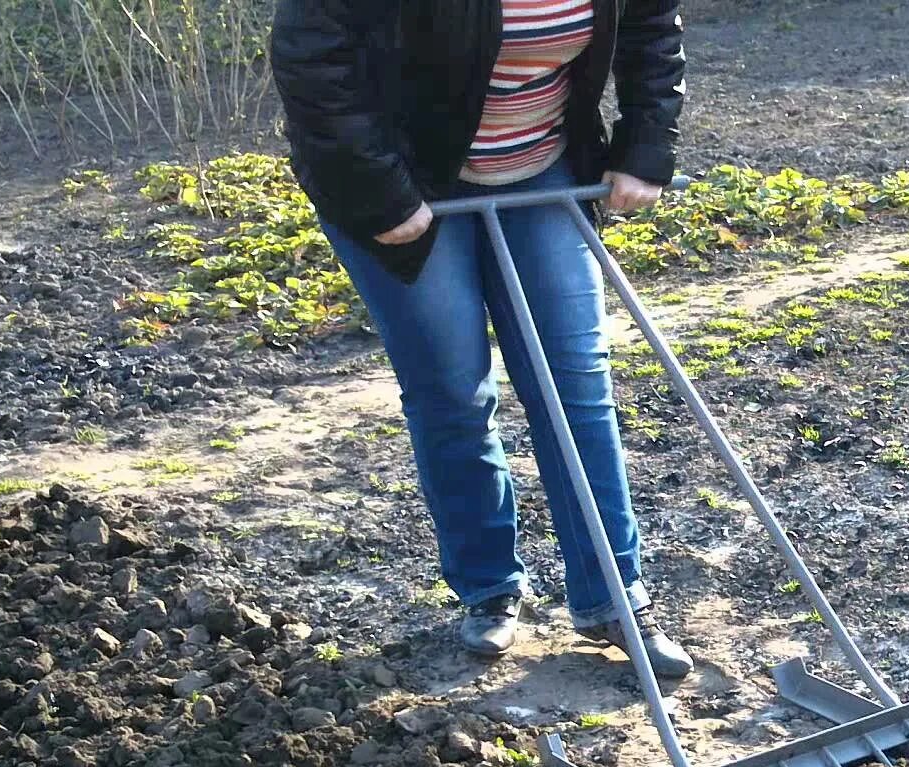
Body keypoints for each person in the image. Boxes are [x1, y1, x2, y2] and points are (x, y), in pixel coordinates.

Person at [268, 0, 693, 676]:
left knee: (573, 382)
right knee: (454, 391)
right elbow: (313, 58)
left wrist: (646, 141)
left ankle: (614, 596)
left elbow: (648, 26)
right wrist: (379, 192)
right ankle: (491, 588)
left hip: (540, 162)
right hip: (399, 176)